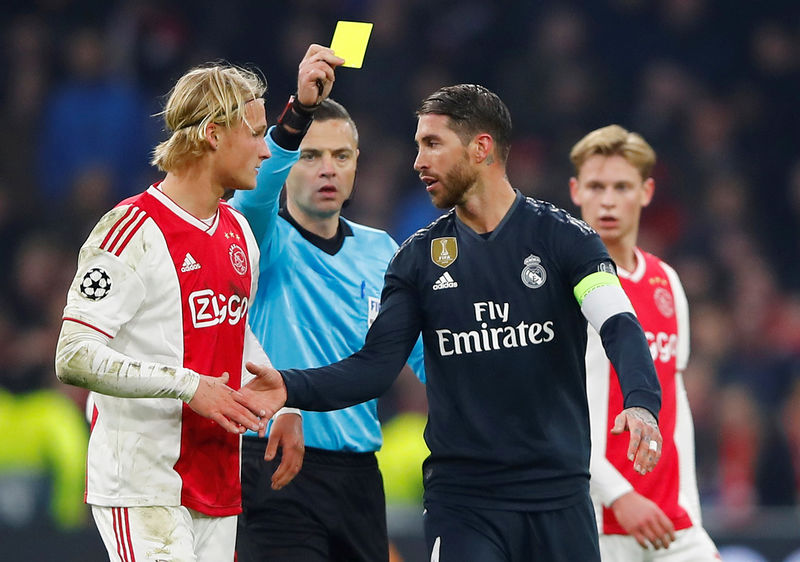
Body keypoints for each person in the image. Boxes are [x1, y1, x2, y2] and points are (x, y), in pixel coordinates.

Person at [240, 84, 666, 562]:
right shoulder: (417, 258)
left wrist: (642, 402)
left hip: (559, 495)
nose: (418, 162)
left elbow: (617, 323)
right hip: (465, 501)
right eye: (418, 145)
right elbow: (376, 367)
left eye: (433, 145)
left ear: (481, 148)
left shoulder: (566, 240)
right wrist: (290, 387)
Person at [53, 44, 342, 562]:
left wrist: (284, 403)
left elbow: (234, 332)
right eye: (254, 134)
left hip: (217, 481)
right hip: (144, 485)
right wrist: (189, 386)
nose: (263, 150)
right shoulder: (130, 230)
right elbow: (73, 355)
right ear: (212, 134)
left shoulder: (238, 235)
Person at [231, 97, 424, 561]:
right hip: (276, 467)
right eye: (310, 156)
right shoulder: (262, 239)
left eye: (341, 156)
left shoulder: (383, 251)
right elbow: (252, 198)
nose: (327, 170)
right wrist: (293, 120)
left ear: (357, 164)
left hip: (359, 474)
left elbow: (422, 353)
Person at [569, 125, 720, 561]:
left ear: (647, 191)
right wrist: (617, 494)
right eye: (597, 186)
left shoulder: (667, 282)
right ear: (576, 190)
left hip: (671, 522)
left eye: (622, 186)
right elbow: (551, 412)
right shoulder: (561, 289)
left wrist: (689, 510)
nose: (609, 200)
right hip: (598, 521)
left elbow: (676, 396)